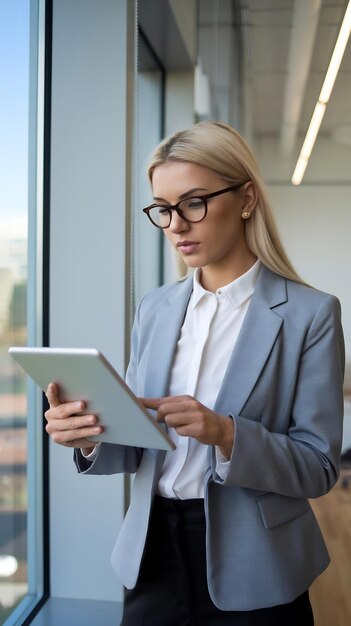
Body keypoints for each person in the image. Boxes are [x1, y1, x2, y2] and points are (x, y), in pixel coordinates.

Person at [45, 121, 345, 626]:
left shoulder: (310, 315)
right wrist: (89, 436)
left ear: (246, 198)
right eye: (162, 209)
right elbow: (143, 440)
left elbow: (319, 469)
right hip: (152, 553)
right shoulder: (156, 308)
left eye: (193, 203)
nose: (175, 225)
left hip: (258, 564)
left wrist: (226, 433)